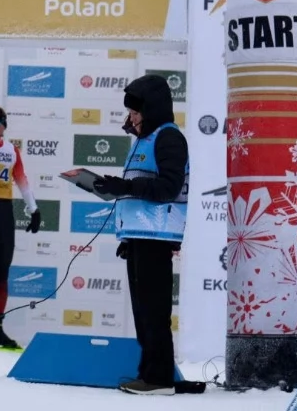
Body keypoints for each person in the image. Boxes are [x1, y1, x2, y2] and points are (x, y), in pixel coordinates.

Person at [89, 74, 189, 396]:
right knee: (144, 313)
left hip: (157, 237)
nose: (130, 117)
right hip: (139, 237)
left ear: (152, 108)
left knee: (154, 312)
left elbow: (168, 188)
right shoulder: (143, 140)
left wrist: (126, 187)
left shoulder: (169, 138)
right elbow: (138, 189)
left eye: (135, 111)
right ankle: (150, 375)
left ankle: (159, 378)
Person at [0, 106, 40, 350]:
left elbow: (22, 181)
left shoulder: (11, 150)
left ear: (4, 125)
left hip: (4, 212)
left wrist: (34, 210)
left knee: (2, 273)